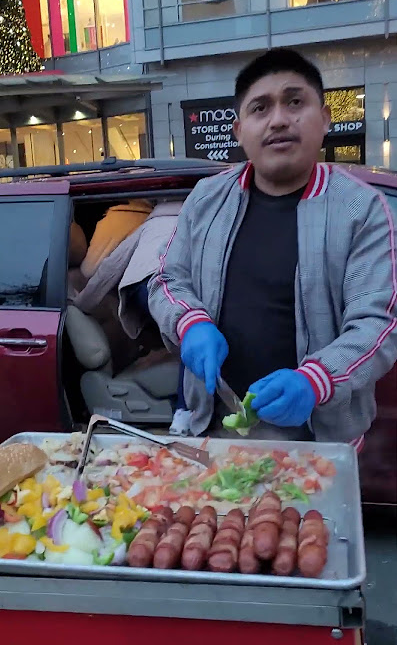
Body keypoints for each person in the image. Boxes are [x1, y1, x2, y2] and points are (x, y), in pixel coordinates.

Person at [147, 48, 397, 445]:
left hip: (319, 437)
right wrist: (189, 322)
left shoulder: (360, 207)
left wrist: (315, 381)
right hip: (214, 427)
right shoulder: (208, 197)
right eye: (260, 108)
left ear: (326, 118)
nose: (279, 119)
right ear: (239, 131)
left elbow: (377, 325)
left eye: (295, 102)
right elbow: (165, 279)